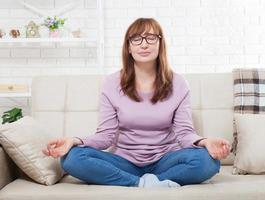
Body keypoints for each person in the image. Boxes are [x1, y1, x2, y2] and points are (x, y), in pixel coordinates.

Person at [42, 18, 231, 188]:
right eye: (136, 39)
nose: (144, 44)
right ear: (128, 47)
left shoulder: (179, 83)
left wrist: (205, 142)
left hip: (165, 160)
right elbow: (106, 136)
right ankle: (141, 183)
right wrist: (74, 141)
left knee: (209, 162)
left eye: (150, 38)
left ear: (160, 43)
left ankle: (151, 180)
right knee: (72, 158)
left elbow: (184, 134)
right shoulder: (110, 83)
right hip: (124, 162)